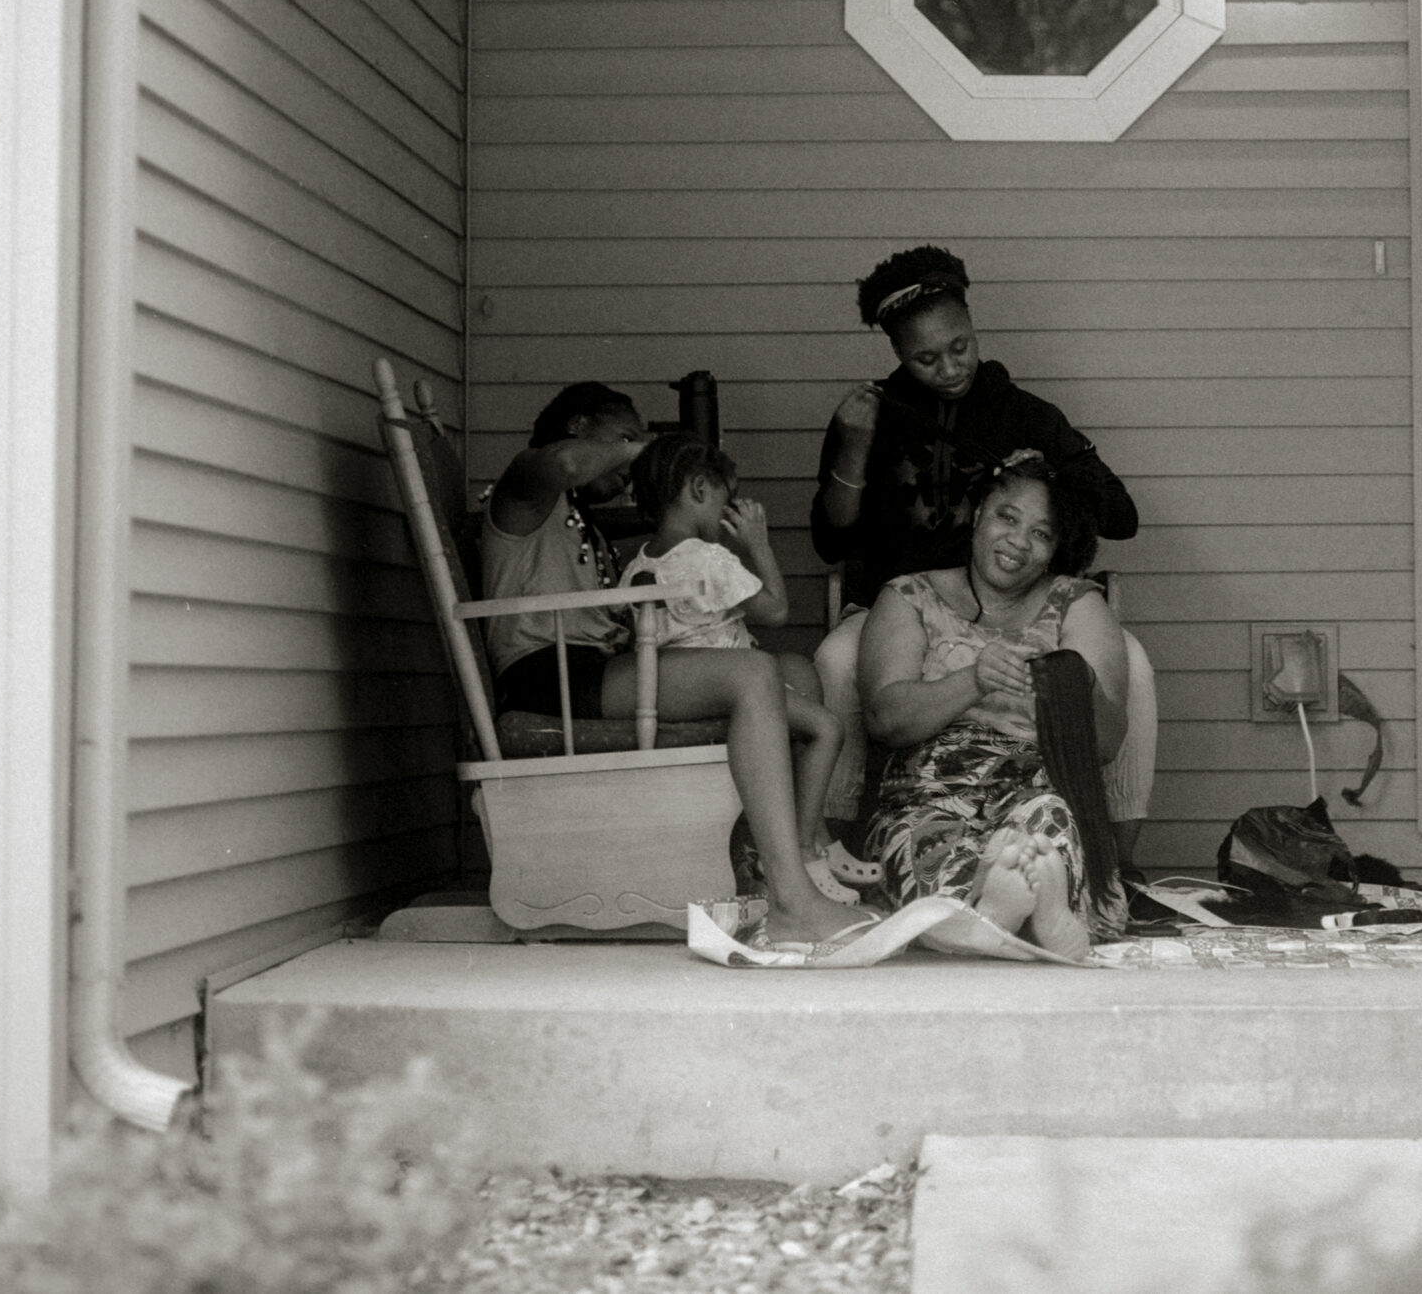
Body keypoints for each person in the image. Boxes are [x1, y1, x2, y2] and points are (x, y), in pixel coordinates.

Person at [482, 383, 863, 946]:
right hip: (551, 675)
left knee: (792, 670)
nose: (626, 465)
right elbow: (563, 461)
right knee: (754, 673)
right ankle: (792, 900)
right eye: (623, 438)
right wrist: (653, 452)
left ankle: (786, 858)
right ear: (581, 426)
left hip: (595, 669)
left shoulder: (579, 518)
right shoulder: (525, 494)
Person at [856, 453, 1133, 957]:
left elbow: (1109, 743)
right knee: (925, 841)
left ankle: (1016, 911)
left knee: (1048, 823)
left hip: (1038, 778)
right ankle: (1011, 914)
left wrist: (1073, 678)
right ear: (980, 511)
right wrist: (974, 679)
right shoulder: (910, 596)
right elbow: (884, 718)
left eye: (1041, 534)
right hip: (930, 792)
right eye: (1008, 517)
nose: (1018, 542)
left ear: (1054, 550)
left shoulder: (1076, 603)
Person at [620, 430, 872, 905]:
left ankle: (812, 832)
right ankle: (805, 852)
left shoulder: (638, 563)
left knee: (797, 669)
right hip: (729, 693)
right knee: (827, 730)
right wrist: (758, 543)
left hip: (680, 689)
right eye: (723, 499)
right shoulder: (710, 559)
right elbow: (776, 611)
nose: (725, 512)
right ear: (698, 489)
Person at [810, 246, 1137, 609]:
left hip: (1011, 609)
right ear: (898, 351)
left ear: (971, 324)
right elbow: (831, 543)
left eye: (959, 347)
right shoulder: (868, 415)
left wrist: (1051, 474)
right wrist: (854, 447)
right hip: (896, 606)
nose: (950, 370)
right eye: (926, 359)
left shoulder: (1028, 415)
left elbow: (1123, 520)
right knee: (835, 661)